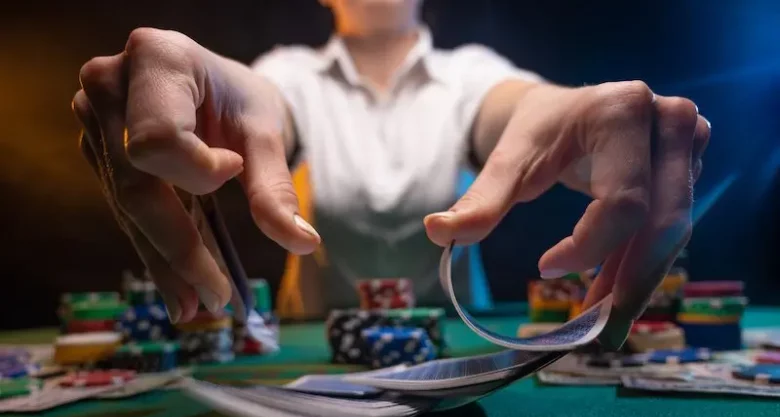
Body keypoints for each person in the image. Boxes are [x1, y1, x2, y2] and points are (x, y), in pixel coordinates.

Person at [72, 0, 710, 348]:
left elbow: (523, 107)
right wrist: (205, 84)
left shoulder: (471, 72)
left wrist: (579, 108)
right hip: (311, 344)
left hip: (462, 346)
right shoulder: (288, 72)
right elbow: (256, 98)